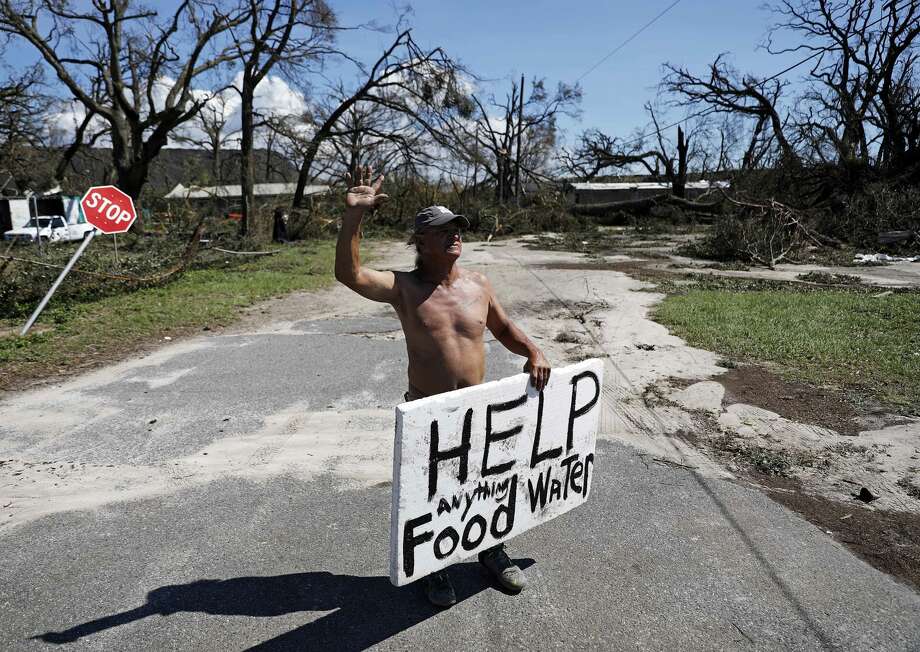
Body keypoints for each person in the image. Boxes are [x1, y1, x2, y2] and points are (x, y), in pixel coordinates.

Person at [334, 166, 552, 608]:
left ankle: (491, 552)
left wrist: (534, 351)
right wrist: (354, 217)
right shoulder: (405, 287)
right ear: (420, 242)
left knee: (487, 484)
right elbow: (349, 274)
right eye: (443, 230)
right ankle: (433, 569)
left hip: (479, 411)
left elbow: (504, 327)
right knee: (431, 494)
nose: (455, 235)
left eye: (457, 228)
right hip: (428, 413)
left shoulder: (478, 283)